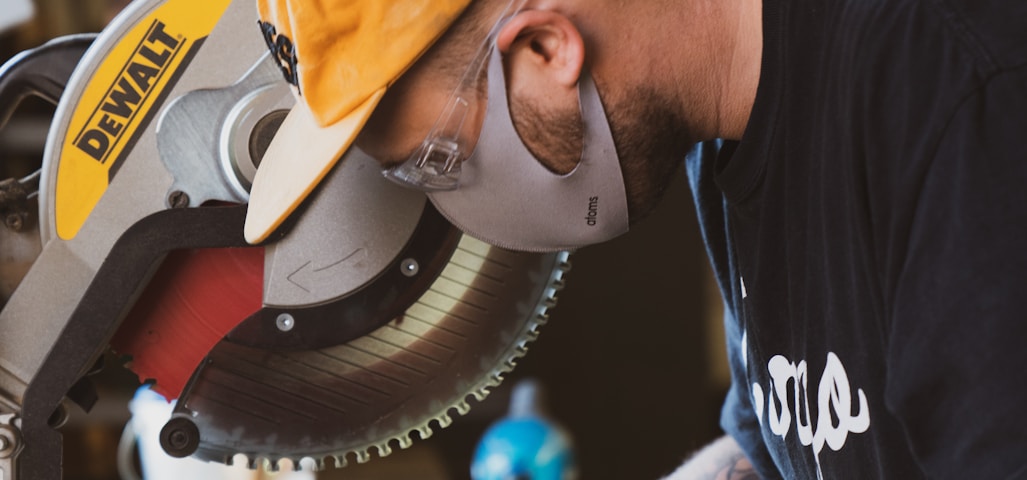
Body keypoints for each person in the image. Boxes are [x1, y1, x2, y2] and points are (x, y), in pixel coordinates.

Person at [246, 0, 1027, 478]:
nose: (441, 202)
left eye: (434, 163)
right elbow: (783, 442)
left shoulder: (957, 99)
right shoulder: (716, 126)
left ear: (547, 49)